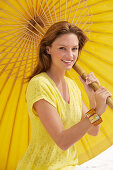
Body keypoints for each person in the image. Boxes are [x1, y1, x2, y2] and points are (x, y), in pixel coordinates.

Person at [16, 21, 112, 170]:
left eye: (74, 48)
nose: (70, 55)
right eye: (62, 48)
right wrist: (99, 110)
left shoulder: (72, 86)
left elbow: (93, 130)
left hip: (69, 166)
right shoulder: (40, 85)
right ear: (48, 49)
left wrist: (91, 97)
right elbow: (62, 141)